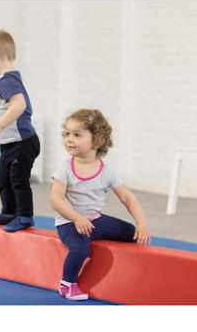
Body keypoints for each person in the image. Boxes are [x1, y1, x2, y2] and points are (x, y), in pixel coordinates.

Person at [50, 108, 151, 300]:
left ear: (96, 141)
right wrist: (77, 218)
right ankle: (67, 284)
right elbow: (56, 200)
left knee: (131, 233)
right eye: (67, 133)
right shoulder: (65, 168)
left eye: (77, 135)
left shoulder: (107, 172)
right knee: (80, 249)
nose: (69, 139)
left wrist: (141, 223)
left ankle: (128, 274)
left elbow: (127, 197)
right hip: (70, 223)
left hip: (96, 220)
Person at [0, 29, 40, 232]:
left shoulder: (6, 80)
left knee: (18, 180)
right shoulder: (6, 79)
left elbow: (19, 105)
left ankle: (25, 216)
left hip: (22, 142)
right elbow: (9, 105)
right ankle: (10, 212)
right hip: (11, 143)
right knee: (2, 177)